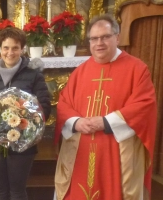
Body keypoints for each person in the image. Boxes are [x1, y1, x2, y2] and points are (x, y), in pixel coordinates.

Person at [54, 14, 157, 200]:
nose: (99, 43)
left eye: (105, 37)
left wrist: (106, 122)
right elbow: (63, 104)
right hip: (81, 152)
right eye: (94, 38)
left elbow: (144, 105)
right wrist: (76, 122)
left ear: (117, 37)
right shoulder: (80, 71)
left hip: (116, 151)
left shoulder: (137, 69)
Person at [0, 27, 51, 200]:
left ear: (22, 49)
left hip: (23, 141)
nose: (10, 52)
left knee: (17, 191)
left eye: (15, 48)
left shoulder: (33, 74)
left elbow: (44, 106)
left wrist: (25, 123)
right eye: (6, 48)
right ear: (0, 49)